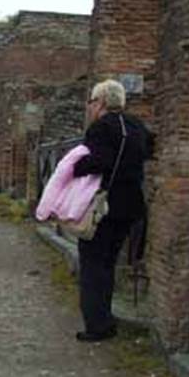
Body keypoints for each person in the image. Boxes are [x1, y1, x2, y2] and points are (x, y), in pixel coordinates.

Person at [71, 79, 153, 342]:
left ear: (103, 102)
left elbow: (99, 162)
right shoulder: (136, 125)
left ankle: (97, 325)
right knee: (108, 262)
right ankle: (105, 317)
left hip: (103, 205)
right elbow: (149, 150)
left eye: (93, 101)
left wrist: (75, 166)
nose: (90, 107)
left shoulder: (101, 128)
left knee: (93, 264)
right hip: (131, 205)